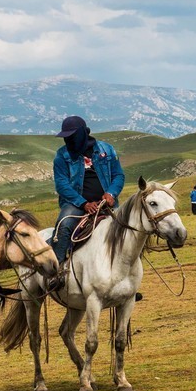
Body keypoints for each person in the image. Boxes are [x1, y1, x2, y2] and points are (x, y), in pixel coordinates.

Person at [50, 115, 125, 285]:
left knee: (129, 229)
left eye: (72, 136)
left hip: (106, 202)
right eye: (66, 137)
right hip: (76, 204)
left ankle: (130, 276)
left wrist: (111, 193)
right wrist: (83, 203)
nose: (69, 140)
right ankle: (57, 270)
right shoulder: (62, 156)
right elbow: (62, 184)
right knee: (64, 225)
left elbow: (118, 175)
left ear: (83, 133)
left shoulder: (106, 150)